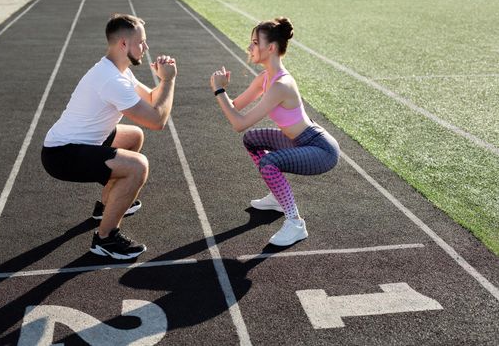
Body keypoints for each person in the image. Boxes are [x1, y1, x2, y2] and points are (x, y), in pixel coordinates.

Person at [41, 14, 177, 259]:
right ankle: (105, 239)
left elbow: (153, 100)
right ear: (123, 44)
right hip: (62, 154)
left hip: (79, 143)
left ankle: (106, 207)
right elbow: (157, 121)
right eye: (141, 42)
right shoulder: (111, 79)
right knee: (138, 167)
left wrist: (164, 81)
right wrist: (168, 80)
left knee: (133, 136)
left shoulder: (118, 71)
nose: (145, 47)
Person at [210, 17, 340, 246]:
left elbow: (238, 123)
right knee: (252, 140)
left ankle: (295, 223)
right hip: (298, 142)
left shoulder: (281, 85)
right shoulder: (265, 78)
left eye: (254, 42)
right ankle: (279, 199)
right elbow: (236, 107)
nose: (249, 47)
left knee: (269, 164)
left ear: (270, 48)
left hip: (320, 149)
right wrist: (222, 91)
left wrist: (219, 91)